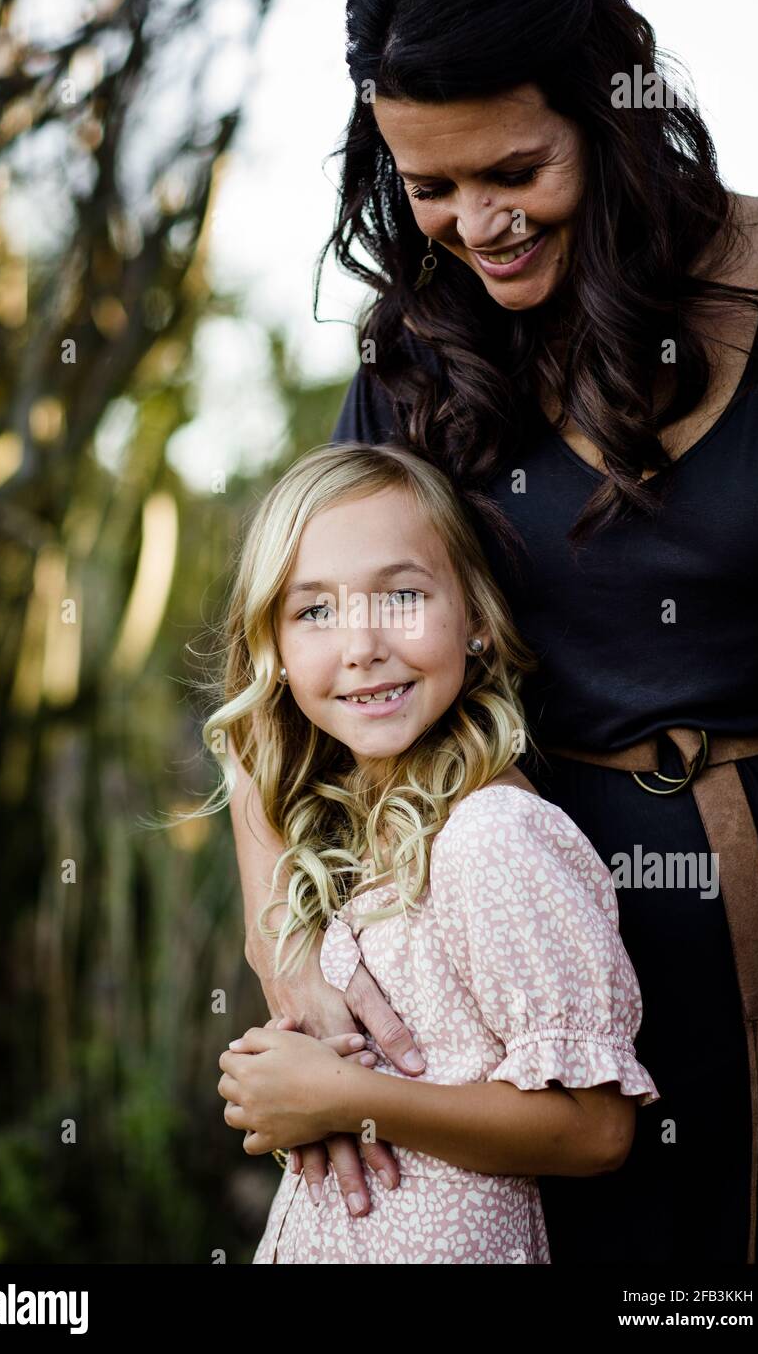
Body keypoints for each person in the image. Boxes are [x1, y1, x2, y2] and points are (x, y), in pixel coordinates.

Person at [230, 0, 758, 1264]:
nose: (477, 224)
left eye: (512, 172)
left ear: (611, 112)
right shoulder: (417, 357)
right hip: (507, 987)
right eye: (429, 188)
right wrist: (292, 968)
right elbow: (280, 677)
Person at [211, 441, 659, 1264]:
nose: (360, 646)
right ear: (274, 649)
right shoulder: (355, 830)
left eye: (402, 596)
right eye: (315, 611)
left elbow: (596, 1129)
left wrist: (343, 1096)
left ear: (478, 621)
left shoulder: (492, 837)